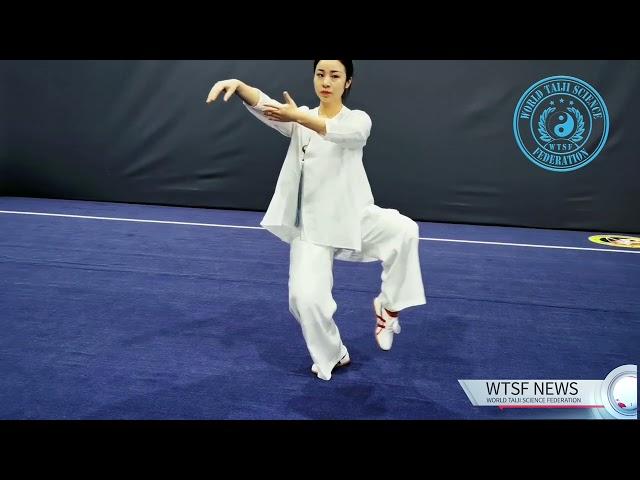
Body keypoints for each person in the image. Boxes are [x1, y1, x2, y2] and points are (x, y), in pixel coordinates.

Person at [206, 60, 426, 381]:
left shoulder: (357, 119)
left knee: (405, 230)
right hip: (311, 228)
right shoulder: (299, 118)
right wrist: (240, 86)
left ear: (347, 82)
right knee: (304, 300)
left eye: (335, 76)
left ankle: (388, 308)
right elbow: (267, 105)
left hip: (355, 218)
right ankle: (334, 354)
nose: (326, 81)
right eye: (320, 74)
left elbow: (346, 135)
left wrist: (298, 116)